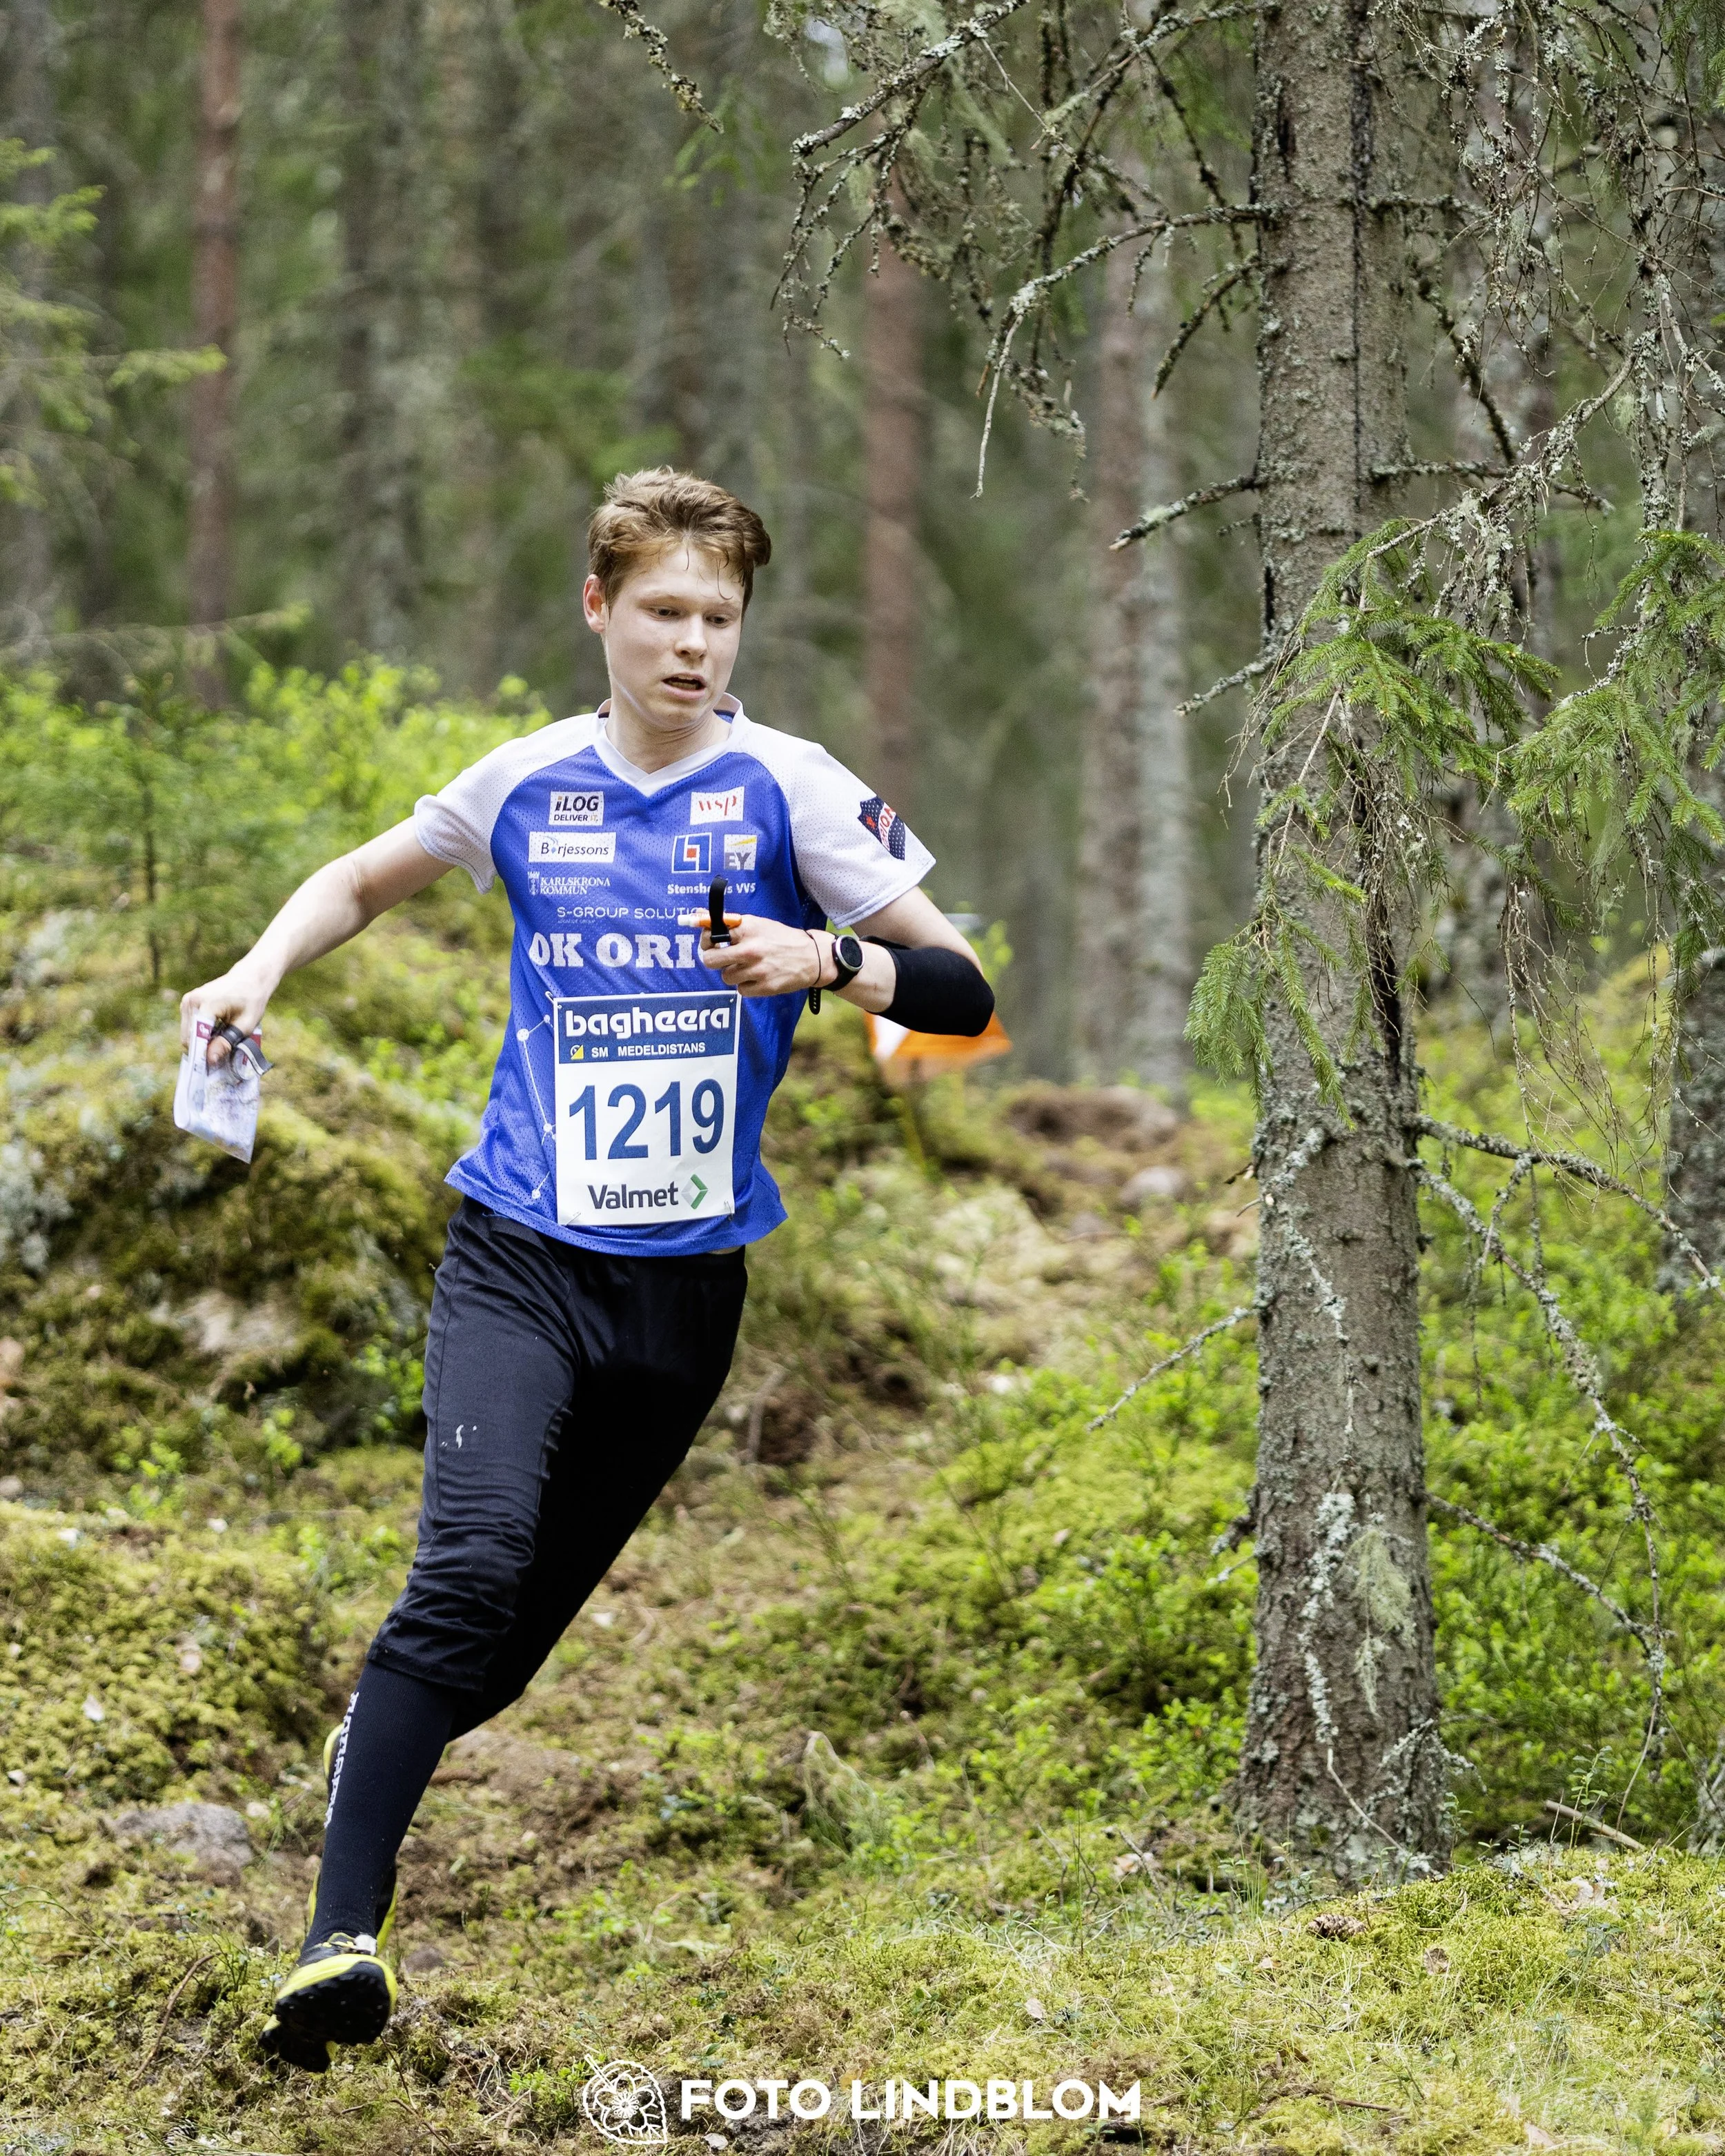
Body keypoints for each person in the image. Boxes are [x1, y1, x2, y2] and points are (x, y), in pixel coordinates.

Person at [179, 468, 995, 2072]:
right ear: (598, 610)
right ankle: (339, 1935)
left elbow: (960, 991)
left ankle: (379, 1739)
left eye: (720, 616)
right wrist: (258, 965)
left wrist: (829, 956)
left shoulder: (791, 787)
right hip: (519, 1252)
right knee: (465, 1567)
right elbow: (357, 880)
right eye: (664, 612)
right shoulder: (525, 782)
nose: (692, 645)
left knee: (501, 1647)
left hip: (682, 1296)